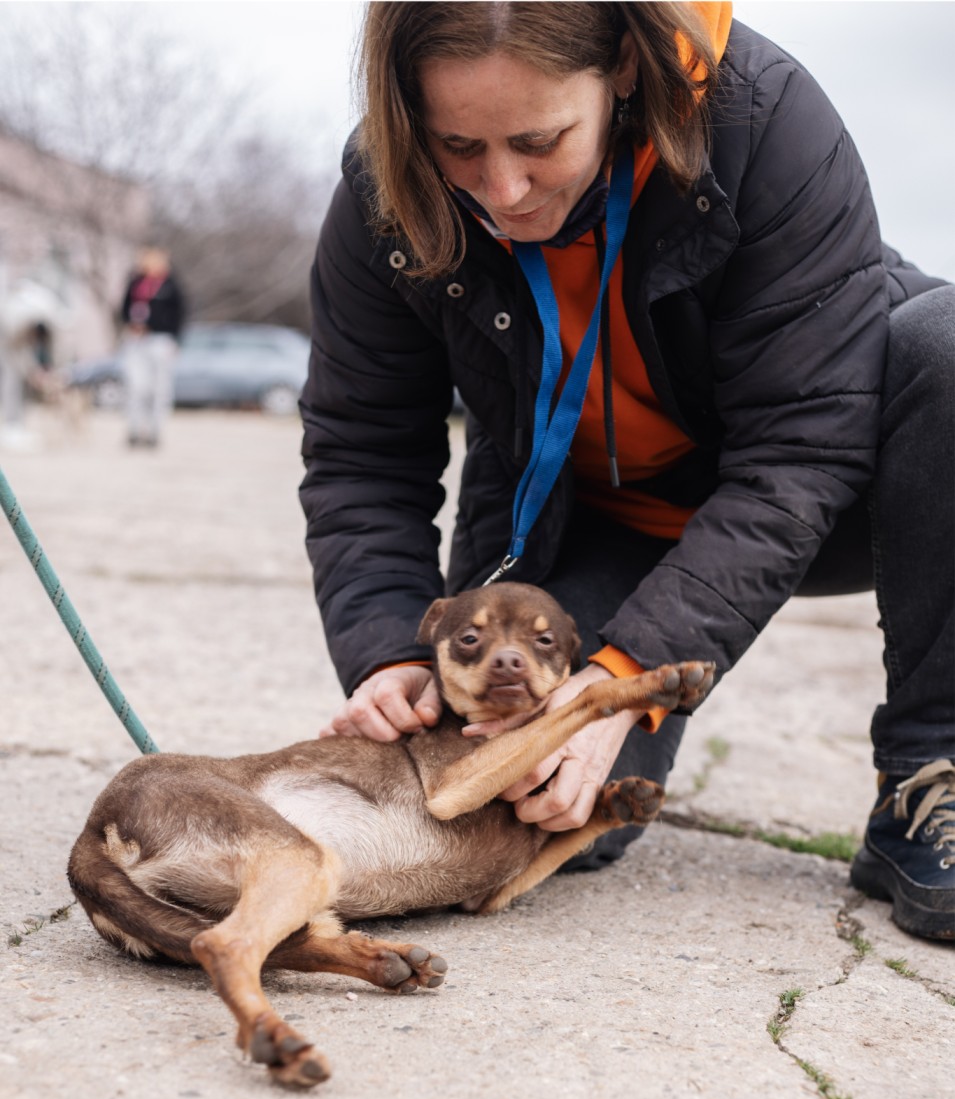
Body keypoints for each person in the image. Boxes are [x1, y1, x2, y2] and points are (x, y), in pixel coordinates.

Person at [300, 2, 954, 942]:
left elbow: (799, 453)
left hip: (842, 483)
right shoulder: (386, 182)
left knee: (946, 346)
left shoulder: (764, 120)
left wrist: (625, 678)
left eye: (537, 139)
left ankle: (928, 774)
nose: (504, 189)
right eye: (459, 145)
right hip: (606, 516)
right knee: (537, 807)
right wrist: (389, 649)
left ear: (620, 71)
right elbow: (362, 443)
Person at [119, 245, 185, 448]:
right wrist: (132, 324)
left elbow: (180, 314)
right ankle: (135, 429)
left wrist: (175, 339)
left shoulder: (170, 286)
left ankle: (155, 431)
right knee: (136, 387)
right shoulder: (135, 283)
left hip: (160, 339)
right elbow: (124, 309)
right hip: (136, 340)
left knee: (160, 389)